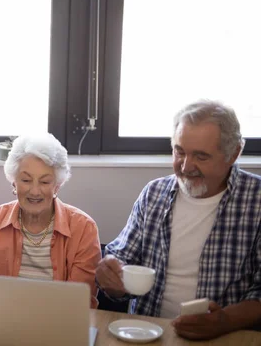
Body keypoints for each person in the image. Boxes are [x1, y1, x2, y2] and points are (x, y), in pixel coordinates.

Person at [96, 100, 261, 340]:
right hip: (148, 332)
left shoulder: (256, 201)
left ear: (233, 153)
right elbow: (122, 259)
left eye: (201, 156)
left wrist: (224, 320)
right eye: (179, 151)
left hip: (226, 336)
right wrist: (109, 275)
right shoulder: (154, 194)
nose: (185, 166)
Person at [0, 134, 101, 308]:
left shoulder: (84, 227)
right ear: (14, 183)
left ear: (57, 186)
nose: (35, 191)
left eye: (45, 182)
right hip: (3, 320)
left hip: (61, 324)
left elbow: (79, 300)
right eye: (25, 180)